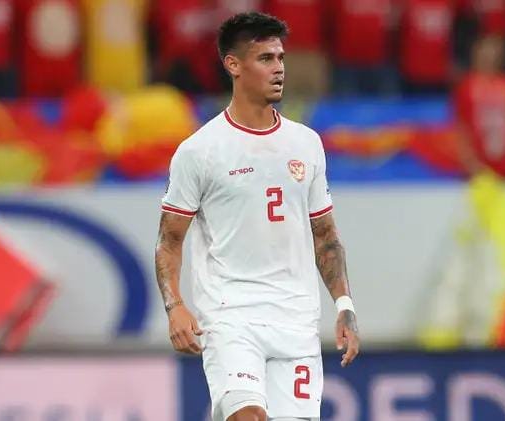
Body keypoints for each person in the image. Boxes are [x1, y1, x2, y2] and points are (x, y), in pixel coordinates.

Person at [154, 12, 359, 421]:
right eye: (265, 58)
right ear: (233, 65)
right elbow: (169, 240)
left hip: (296, 321)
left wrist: (344, 304)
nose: (279, 68)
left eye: (280, 57)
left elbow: (326, 236)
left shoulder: (306, 144)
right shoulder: (201, 151)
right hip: (232, 316)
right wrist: (175, 305)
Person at [453, 35, 505, 179]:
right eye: (486, 52)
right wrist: (469, 161)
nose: (490, 57)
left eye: (494, 52)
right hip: (477, 168)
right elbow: (460, 128)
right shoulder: (466, 87)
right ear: (476, 54)